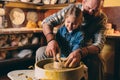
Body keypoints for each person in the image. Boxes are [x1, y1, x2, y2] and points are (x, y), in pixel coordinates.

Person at [36, 0, 108, 80]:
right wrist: (51, 40)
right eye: (88, 8)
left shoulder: (101, 19)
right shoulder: (72, 10)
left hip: (84, 50)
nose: (91, 12)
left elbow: (99, 45)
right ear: (83, 2)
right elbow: (46, 22)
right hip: (62, 50)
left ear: (101, 8)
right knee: (41, 52)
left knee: (97, 61)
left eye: (95, 10)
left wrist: (81, 52)